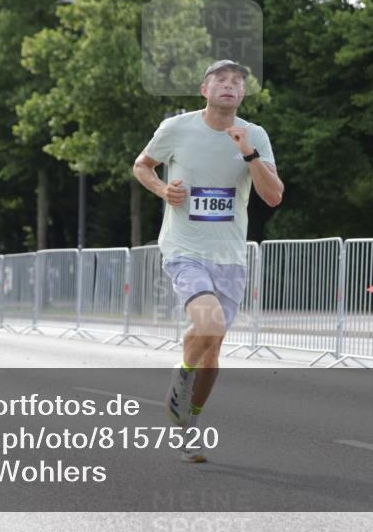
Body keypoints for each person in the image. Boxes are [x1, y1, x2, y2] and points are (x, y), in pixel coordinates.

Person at [133, 59, 284, 462]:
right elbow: (142, 165)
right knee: (210, 323)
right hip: (185, 248)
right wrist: (164, 190)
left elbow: (273, 195)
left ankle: (189, 424)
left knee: (213, 350)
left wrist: (249, 154)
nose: (230, 85)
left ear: (243, 94)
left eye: (238, 81)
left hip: (230, 255)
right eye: (221, 79)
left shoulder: (253, 135)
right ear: (205, 90)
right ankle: (179, 382)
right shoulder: (176, 128)